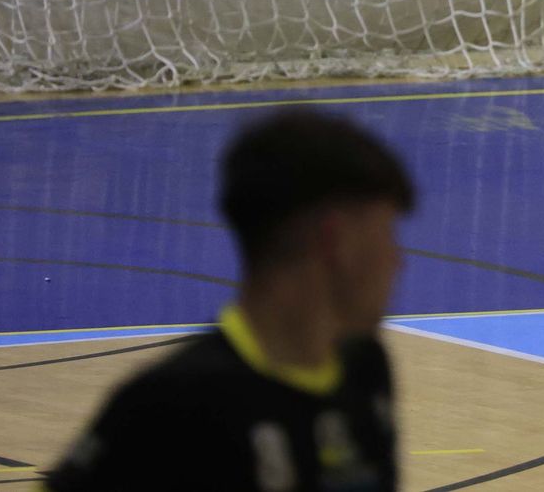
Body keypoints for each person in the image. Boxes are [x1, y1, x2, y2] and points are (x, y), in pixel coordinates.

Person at [47, 108, 415, 491]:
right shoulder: (169, 405)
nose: (397, 260)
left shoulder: (365, 370)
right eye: (386, 234)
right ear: (332, 241)